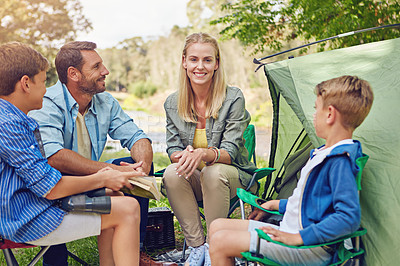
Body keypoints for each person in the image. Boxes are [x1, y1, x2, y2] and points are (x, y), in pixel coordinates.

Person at [208, 75, 374, 266]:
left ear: (330, 114)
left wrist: (299, 238)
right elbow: (309, 204)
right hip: (291, 232)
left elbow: (348, 218)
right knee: (216, 227)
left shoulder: (339, 161)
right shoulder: (323, 153)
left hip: (309, 248)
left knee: (221, 242)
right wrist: (274, 205)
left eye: (316, 108)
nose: (313, 115)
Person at [0, 42, 141, 265]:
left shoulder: (13, 118)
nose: (47, 89)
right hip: (25, 219)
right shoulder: (8, 124)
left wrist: (104, 182)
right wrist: (104, 177)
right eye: (44, 81)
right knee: (128, 208)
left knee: (115, 197)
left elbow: (42, 179)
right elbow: (51, 189)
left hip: (32, 205)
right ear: (26, 83)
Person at [162, 32, 258, 266]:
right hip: (197, 181)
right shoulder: (172, 103)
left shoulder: (233, 98)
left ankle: (217, 245)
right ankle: (197, 249)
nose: (200, 66)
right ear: (184, 62)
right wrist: (182, 156)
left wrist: (205, 154)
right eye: (194, 59)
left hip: (233, 177)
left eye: (207, 60)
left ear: (216, 64)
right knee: (172, 173)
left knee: (212, 171)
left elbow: (230, 152)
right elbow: (172, 148)